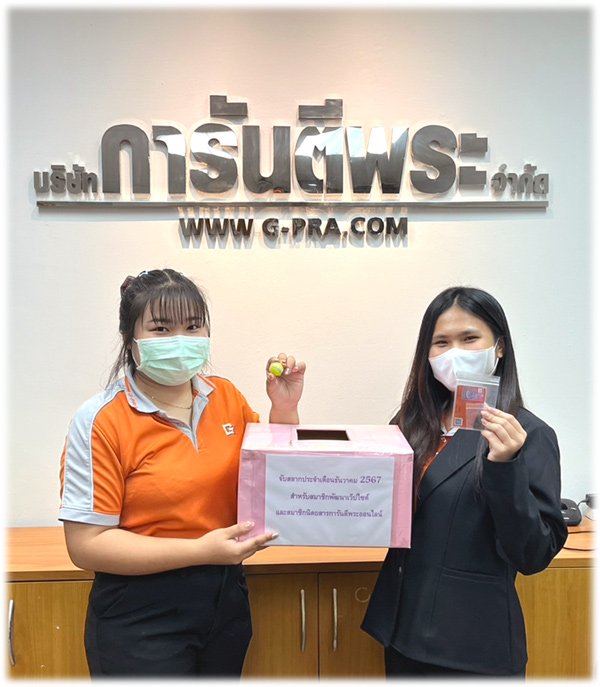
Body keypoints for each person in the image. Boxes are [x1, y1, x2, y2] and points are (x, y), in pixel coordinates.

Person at [59, 268, 305, 678]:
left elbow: (274, 475)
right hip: (140, 614)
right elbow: (86, 545)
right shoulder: (100, 420)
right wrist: (200, 551)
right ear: (130, 339)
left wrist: (284, 408)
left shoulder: (224, 396)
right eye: (161, 328)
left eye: (193, 327)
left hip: (225, 601)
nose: (180, 339)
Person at [361, 286, 567, 678]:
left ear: (499, 347)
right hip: (402, 628)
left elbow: (533, 554)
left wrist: (505, 466)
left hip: (472, 642)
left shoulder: (528, 434)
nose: (454, 353)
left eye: (469, 339)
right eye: (441, 342)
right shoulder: (410, 424)